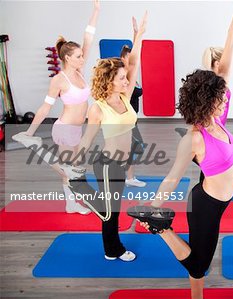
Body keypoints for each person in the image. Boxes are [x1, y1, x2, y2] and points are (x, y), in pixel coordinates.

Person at [128, 69, 233, 299]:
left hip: (218, 201)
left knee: (199, 259)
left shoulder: (217, 120)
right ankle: (162, 228)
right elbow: (172, 178)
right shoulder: (194, 138)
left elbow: (225, 70)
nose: (226, 98)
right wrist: (154, 208)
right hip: (206, 205)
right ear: (207, 100)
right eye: (221, 96)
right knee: (198, 265)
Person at [69, 12, 148, 261]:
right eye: (122, 78)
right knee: (110, 211)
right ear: (110, 81)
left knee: (112, 210)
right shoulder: (98, 107)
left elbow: (133, 64)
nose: (127, 81)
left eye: (125, 78)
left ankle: (110, 249)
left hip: (120, 164)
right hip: (106, 164)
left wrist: (139, 36)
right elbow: (88, 138)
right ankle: (112, 249)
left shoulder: (124, 96)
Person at [12, 0, 100, 215]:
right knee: (71, 170)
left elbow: (87, 39)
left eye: (82, 56)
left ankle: (71, 204)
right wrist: (30, 131)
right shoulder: (59, 80)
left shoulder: (78, 71)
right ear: (67, 58)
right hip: (64, 129)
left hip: (76, 129)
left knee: (73, 170)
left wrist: (96, 11)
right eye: (78, 56)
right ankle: (36, 146)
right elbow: (44, 107)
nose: (83, 58)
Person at [175, 0, 233, 138]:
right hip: (212, 129)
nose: (230, 61)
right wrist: (231, 31)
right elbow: (228, 63)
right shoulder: (218, 82)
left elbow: (232, 56)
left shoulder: (206, 82)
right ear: (217, 63)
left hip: (208, 127)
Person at [120, 41, 146, 188]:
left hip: (132, 117)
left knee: (133, 147)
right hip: (125, 118)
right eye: (130, 59)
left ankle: (128, 176)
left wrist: (137, 35)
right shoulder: (123, 77)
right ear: (123, 59)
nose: (134, 61)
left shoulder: (132, 75)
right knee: (132, 146)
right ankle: (128, 177)